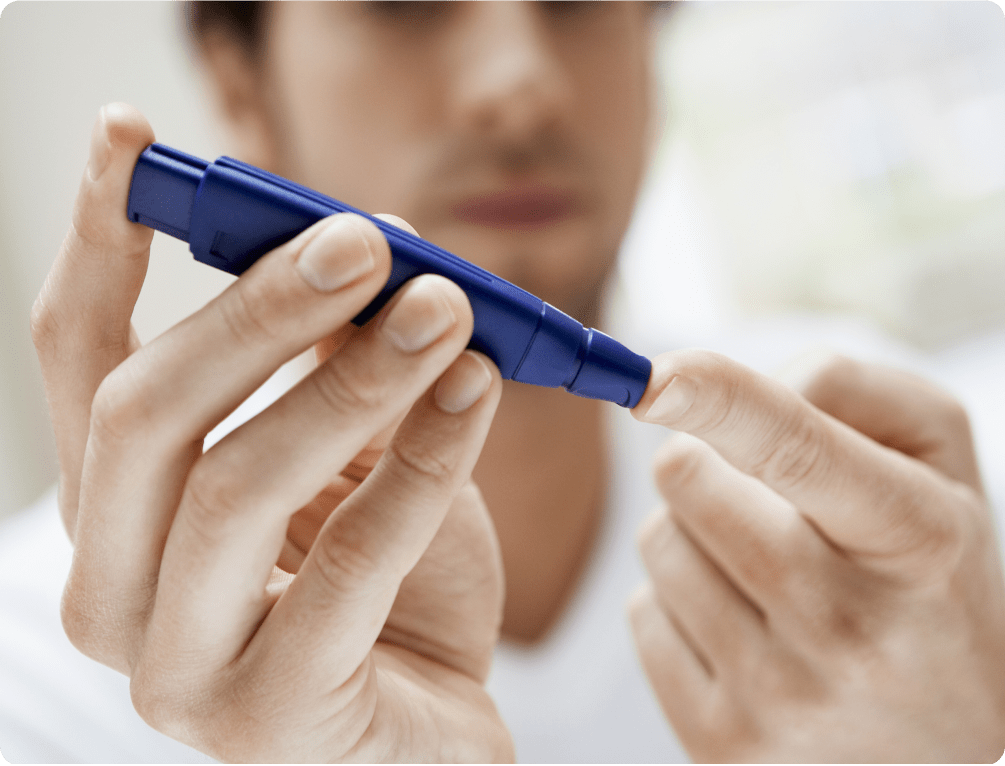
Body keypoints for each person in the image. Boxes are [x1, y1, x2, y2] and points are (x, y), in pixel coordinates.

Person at [9, 1, 1005, 762]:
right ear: (240, 84)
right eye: (405, 0)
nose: (518, 82)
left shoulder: (885, 494)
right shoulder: (35, 678)